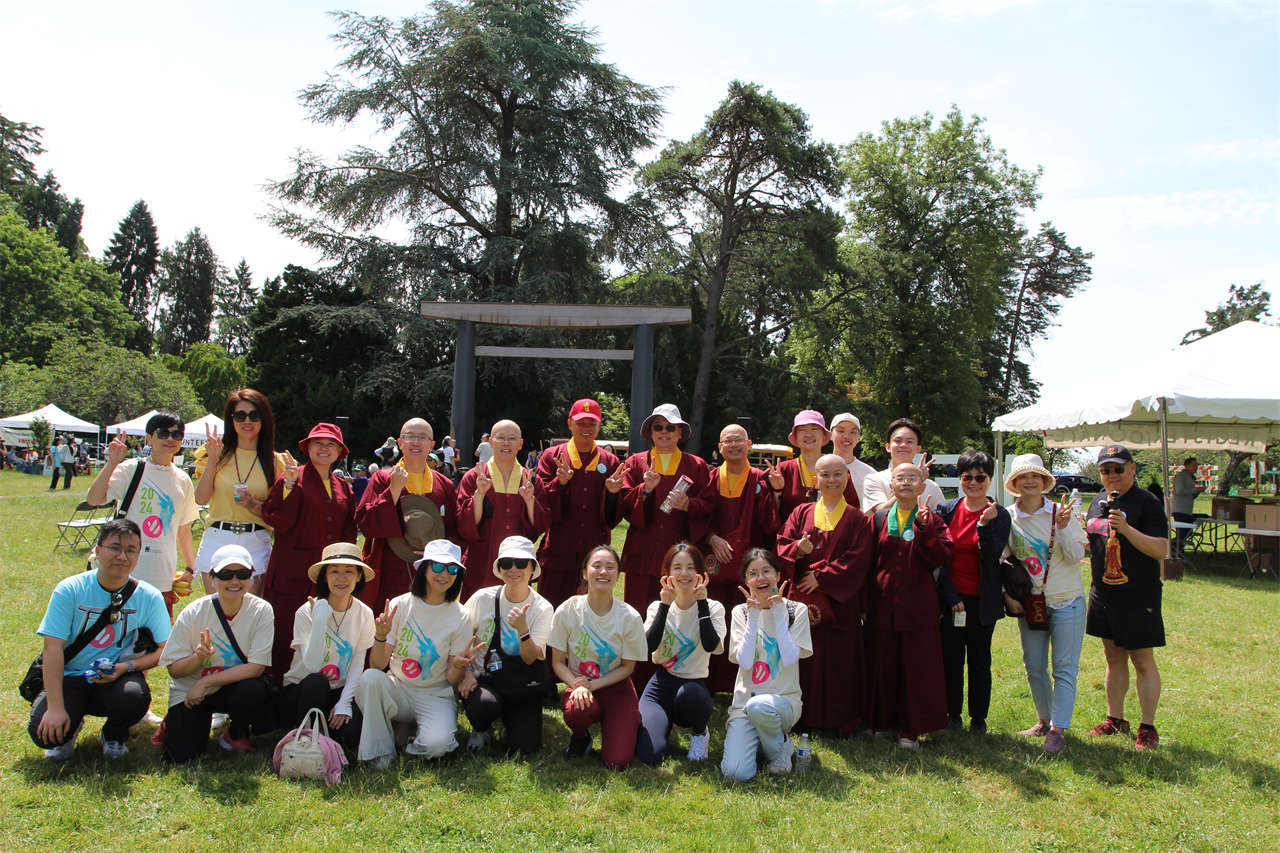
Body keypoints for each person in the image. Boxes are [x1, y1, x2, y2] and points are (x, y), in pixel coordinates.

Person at [28, 519, 171, 760]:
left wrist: (127, 667)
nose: (122, 556)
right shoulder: (69, 590)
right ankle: (70, 727)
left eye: (131, 550)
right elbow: (53, 649)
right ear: (97, 550)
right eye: (114, 548)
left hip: (115, 678)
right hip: (69, 678)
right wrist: (55, 708)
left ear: (138, 555)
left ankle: (113, 734)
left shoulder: (149, 596)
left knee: (134, 697)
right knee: (44, 734)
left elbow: (165, 650)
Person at [354, 539, 482, 768]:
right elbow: (377, 665)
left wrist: (459, 665)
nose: (445, 574)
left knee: (438, 745)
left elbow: (452, 679)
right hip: (399, 687)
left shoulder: (461, 616)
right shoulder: (400, 605)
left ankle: (409, 737)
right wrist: (380, 636)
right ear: (424, 569)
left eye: (452, 569)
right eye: (438, 566)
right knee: (369, 679)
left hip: (435, 694)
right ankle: (381, 751)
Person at [775, 454, 874, 735]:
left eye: (837, 474)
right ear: (815, 480)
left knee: (839, 662)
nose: (831, 480)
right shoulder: (801, 512)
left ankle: (838, 720)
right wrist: (797, 550)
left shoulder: (857, 519)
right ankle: (801, 716)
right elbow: (781, 544)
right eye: (825, 475)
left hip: (840, 604)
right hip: (804, 602)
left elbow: (858, 559)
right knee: (804, 659)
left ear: (847, 477)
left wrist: (822, 577)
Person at [1084, 444, 1168, 750]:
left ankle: (1148, 728)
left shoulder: (1147, 503)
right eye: (1106, 470)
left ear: (1132, 468)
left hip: (1137, 595)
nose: (1112, 475)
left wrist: (1127, 529)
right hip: (1103, 593)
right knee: (1113, 657)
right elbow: (1093, 543)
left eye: (1118, 469)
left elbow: (1162, 549)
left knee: (1142, 660)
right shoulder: (1097, 502)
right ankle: (1115, 719)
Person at [1001, 454, 1087, 755]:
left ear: (1044, 481)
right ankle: (1044, 719)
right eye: (1023, 477)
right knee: (1034, 666)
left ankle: (1058, 730)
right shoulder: (1009, 517)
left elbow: (1076, 556)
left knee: (1063, 668)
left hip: (1067, 601)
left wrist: (1062, 527)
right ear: (1014, 483)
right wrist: (1008, 596)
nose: (1029, 481)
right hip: (1032, 604)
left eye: (1035, 476)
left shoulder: (1061, 512)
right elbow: (1003, 558)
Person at [159, 544, 275, 762]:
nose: (234, 581)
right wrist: (198, 658)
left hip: (230, 688)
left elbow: (256, 667)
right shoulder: (194, 612)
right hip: (191, 691)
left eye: (242, 574)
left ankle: (236, 731)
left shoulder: (261, 610)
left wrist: (206, 682)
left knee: (254, 690)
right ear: (212, 578)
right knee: (181, 757)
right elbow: (174, 670)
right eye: (225, 575)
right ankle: (174, 721)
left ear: (251, 578)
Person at [865, 461, 953, 748]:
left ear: (922, 486)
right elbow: (869, 561)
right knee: (883, 664)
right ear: (891, 485)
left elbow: (940, 557)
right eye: (900, 478)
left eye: (912, 478)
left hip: (917, 605)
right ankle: (882, 723)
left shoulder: (932, 519)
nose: (905, 482)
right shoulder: (879, 518)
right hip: (883, 603)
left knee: (916, 668)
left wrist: (925, 529)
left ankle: (910, 729)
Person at [261, 422, 358, 679]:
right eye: (318, 443)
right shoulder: (292, 477)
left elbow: (349, 530)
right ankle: (279, 686)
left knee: (324, 632)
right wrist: (289, 486)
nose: (324, 448)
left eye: (331, 444)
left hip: (327, 576)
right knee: (287, 631)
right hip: (292, 572)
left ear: (339, 452)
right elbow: (278, 520)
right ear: (308, 448)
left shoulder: (342, 486)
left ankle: (318, 686)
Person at [691, 423, 780, 692]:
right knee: (714, 616)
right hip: (716, 562)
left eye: (738, 440)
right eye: (727, 441)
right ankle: (709, 680)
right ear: (720, 448)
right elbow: (698, 516)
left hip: (750, 563)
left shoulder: (760, 479)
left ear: (749, 444)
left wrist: (777, 493)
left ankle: (743, 682)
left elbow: (771, 524)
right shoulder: (711, 477)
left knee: (746, 619)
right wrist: (711, 538)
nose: (733, 445)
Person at [88, 414, 199, 617]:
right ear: (149, 437)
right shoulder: (130, 468)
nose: (170, 439)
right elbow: (94, 499)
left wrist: (190, 568)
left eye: (176, 435)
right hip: (123, 569)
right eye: (163, 433)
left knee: (155, 634)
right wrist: (112, 462)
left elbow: (183, 528)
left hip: (162, 574)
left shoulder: (183, 479)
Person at [933, 450, 1012, 735]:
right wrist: (951, 596)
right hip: (952, 598)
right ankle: (952, 715)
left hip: (983, 600)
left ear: (990, 480)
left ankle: (978, 719)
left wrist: (983, 525)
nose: (974, 483)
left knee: (980, 661)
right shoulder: (947, 510)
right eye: (968, 477)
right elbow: (940, 557)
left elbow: (991, 557)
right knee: (951, 660)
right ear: (960, 479)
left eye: (981, 477)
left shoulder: (999, 514)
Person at [548, 545, 647, 769]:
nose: (603, 572)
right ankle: (580, 737)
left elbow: (627, 667)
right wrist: (577, 685)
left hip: (615, 685)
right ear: (585, 573)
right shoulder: (567, 610)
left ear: (618, 575)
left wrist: (593, 685)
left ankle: (622, 722)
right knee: (577, 709)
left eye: (610, 567)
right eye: (597, 566)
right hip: (579, 683)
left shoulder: (630, 617)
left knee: (617, 761)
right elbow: (557, 662)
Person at [720, 549, 812, 781]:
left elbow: (789, 659)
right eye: (753, 573)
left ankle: (778, 751)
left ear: (778, 575)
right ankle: (773, 743)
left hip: (783, 703)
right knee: (735, 772)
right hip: (744, 705)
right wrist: (753, 617)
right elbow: (745, 661)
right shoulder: (741, 612)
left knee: (760, 706)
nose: (760, 578)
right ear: (746, 580)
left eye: (766, 571)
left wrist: (778, 613)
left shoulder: (796, 610)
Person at [459, 535, 554, 756]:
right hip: (486, 679)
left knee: (526, 747)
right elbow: (460, 638)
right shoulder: (482, 599)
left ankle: (511, 720)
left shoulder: (542, 608)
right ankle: (482, 728)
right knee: (483, 706)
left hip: (523, 685)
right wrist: (467, 673)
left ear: (532, 568)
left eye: (521, 563)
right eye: (506, 563)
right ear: (499, 569)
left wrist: (523, 631)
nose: (513, 569)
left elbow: (530, 658)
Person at [279, 541, 377, 752]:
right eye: (334, 571)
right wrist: (319, 622)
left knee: (352, 736)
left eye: (349, 571)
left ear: (358, 576)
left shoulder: (364, 613)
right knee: (317, 682)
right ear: (324, 576)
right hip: (304, 689)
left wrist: (344, 703)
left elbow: (357, 663)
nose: (341, 578)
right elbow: (313, 666)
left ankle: (326, 734)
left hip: (338, 690)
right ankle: (306, 737)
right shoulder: (305, 612)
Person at [355, 418, 458, 614]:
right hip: (390, 568)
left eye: (422, 437)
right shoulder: (382, 478)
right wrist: (393, 490)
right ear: (400, 443)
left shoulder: (443, 484)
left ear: (432, 445)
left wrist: (437, 550)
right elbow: (366, 524)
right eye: (410, 437)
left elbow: (454, 529)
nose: (416, 442)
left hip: (433, 573)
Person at [636, 543, 726, 764]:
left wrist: (702, 603)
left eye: (691, 567)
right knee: (649, 755)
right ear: (667, 574)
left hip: (693, 685)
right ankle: (665, 723)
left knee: (690, 696)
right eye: (677, 567)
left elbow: (711, 645)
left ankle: (699, 732)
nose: (684, 573)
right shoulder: (657, 607)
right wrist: (665, 606)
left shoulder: (714, 608)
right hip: (661, 684)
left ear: (701, 574)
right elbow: (647, 647)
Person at [619, 404, 711, 615]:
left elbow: (709, 506)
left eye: (670, 427)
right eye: (658, 427)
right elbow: (624, 504)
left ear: (680, 433)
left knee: (678, 616)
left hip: (681, 558)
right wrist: (645, 490)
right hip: (642, 553)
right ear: (650, 433)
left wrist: (688, 505)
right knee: (638, 615)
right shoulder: (636, 462)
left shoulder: (696, 465)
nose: (664, 432)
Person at [193, 389, 286, 598]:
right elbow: (201, 498)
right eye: (240, 415)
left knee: (249, 612)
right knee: (216, 610)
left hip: (255, 540)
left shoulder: (275, 462)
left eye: (254, 415)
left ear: (264, 419)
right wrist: (213, 459)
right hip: (218, 537)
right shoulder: (215, 453)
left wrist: (254, 504)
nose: (247, 421)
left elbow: (278, 513)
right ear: (231, 420)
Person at [533, 398, 625, 606]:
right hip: (559, 551)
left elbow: (613, 516)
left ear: (599, 425)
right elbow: (542, 503)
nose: (586, 428)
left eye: (592, 423)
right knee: (552, 611)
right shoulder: (552, 456)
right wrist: (560, 483)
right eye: (581, 423)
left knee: (592, 614)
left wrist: (612, 494)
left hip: (595, 554)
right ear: (570, 424)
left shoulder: (609, 461)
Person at [456, 419, 547, 600]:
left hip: (518, 566)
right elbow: (464, 526)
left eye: (512, 439)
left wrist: (530, 501)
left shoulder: (530, 479)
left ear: (520, 444)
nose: (506, 443)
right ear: (490, 442)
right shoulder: (474, 477)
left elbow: (540, 526)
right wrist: (479, 496)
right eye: (500, 438)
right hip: (481, 562)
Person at [859, 418, 946, 511]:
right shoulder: (875, 480)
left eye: (909, 442)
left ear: (918, 449)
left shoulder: (931, 486)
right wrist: (914, 481)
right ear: (888, 447)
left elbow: (943, 517)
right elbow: (881, 512)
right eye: (898, 441)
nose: (904, 445)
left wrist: (919, 479)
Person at [829, 413, 878, 510]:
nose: (847, 436)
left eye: (853, 432)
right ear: (830, 434)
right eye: (841, 431)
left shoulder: (870, 475)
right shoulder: (818, 468)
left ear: (859, 437)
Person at [1171, 457, 1203, 558]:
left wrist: (1198, 492)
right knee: (1183, 533)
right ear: (1187, 466)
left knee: (1187, 533)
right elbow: (1180, 491)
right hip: (1180, 509)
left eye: (1196, 465)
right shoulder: (1181, 476)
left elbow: (1191, 495)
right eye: (1194, 464)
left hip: (1187, 510)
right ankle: (1173, 549)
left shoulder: (1191, 477)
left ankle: (1177, 551)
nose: (1196, 467)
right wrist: (1195, 490)